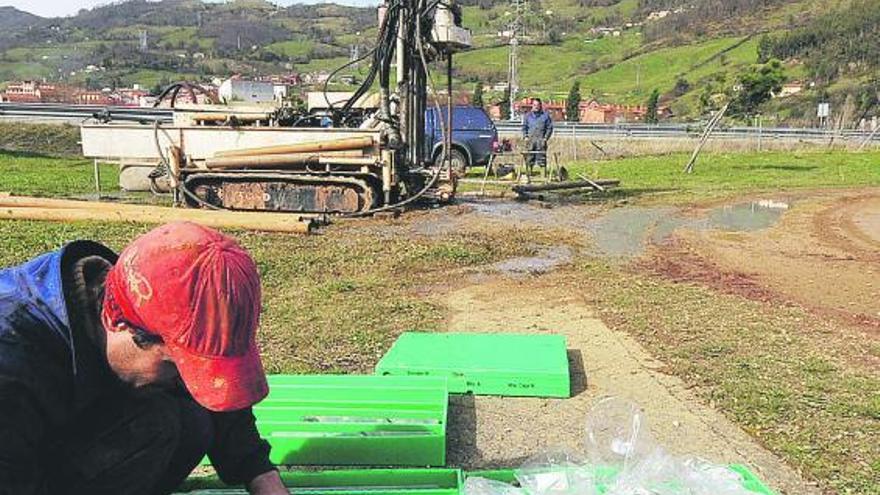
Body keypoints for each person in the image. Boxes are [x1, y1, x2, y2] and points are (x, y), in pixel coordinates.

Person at [0, 222, 288, 495]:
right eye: (176, 367)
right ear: (118, 323)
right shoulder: (13, 366)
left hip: (50, 436)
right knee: (162, 424)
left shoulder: (140, 299)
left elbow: (217, 393)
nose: (184, 383)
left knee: (188, 421)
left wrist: (263, 478)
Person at [521, 97, 554, 172]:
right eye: (534, 105)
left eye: (537, 105)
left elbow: (549, 128)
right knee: (529, 158)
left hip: (541, 140)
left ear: (540, 106)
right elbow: (524, 127)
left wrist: (545, 138)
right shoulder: (527, 116)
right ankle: (529, 174)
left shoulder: (545, 116)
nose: (536, 106)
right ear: (532, 105)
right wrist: (525, 137)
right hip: (530, 140)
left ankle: (543, 175)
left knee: (541, 158)